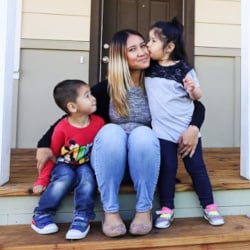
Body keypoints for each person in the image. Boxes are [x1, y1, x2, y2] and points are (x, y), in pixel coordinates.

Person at [36, 29, 205, 237]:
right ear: (120, 57)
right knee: (111, 132)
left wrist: (193, 128)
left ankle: (143, 210)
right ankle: (111, 212)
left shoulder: (158, 78)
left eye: (143, 45)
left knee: (143, 134)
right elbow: (71, 117)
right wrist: (44, 144)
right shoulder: (106, 89)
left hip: (145, 164)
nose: (143, 52)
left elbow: (195, 106)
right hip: (110, 165)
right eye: (133, 49)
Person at [145, 17, 224, 229]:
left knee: (196, 168)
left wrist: (192, 89)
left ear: (169, 47)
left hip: (186, 128)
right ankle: (167, 209)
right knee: (168, 169)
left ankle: (209, 206)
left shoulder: (184, 69)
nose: (148, 45)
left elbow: (198, 96)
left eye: (153, 41)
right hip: (162, 131)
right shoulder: (148, 68)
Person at [31, 79, 105, 240]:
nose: (93, 98)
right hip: (64, 164)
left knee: (87, 178)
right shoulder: (62, 128)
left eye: (91, 94)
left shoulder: (99, 123)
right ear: (72, 107)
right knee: (65, 177)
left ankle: (82, 216)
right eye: (87, 96)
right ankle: (42, 213)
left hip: (85, 164)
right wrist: (42, 180)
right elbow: (52, 155)